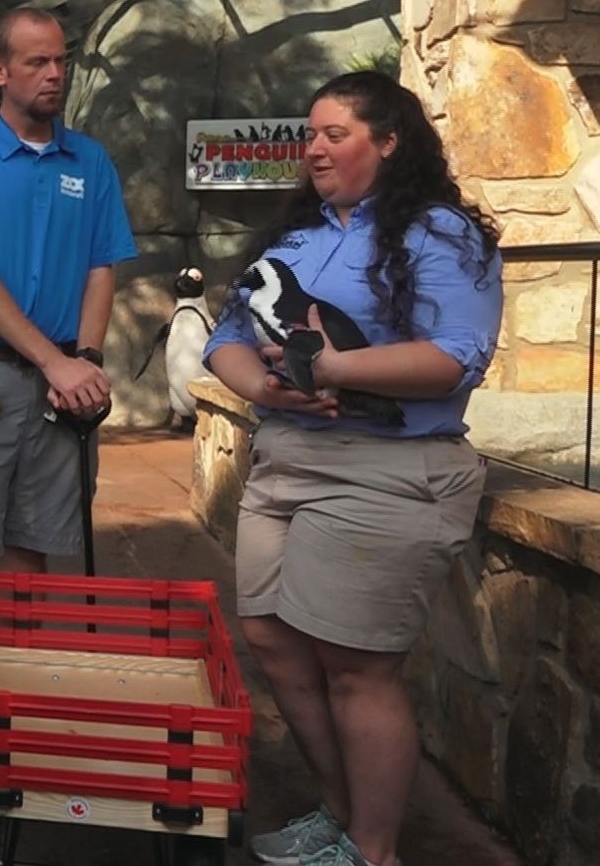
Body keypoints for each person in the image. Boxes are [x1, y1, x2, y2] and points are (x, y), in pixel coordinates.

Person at [203, 71, 500, 866]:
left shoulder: (437, 233)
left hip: (387, 469)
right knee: (272, 641)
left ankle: (372, 852)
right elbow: (225, 335)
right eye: (311, 135)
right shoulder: (295, 236)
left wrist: (333, 371)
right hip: (285, 459)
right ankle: (341, 815)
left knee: (355, 671)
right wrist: (261, 386)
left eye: (336, 133)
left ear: (390, 140)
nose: (316, 149)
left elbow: (456, 356)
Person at [0, 6, 138, 815]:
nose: (55, 74)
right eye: (37, 62)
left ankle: (18, 707)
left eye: (62, 61)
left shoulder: (91, 160)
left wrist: (89, 361)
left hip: (60, 380)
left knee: (38, 546)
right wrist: (51, 359)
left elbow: (105, 264)